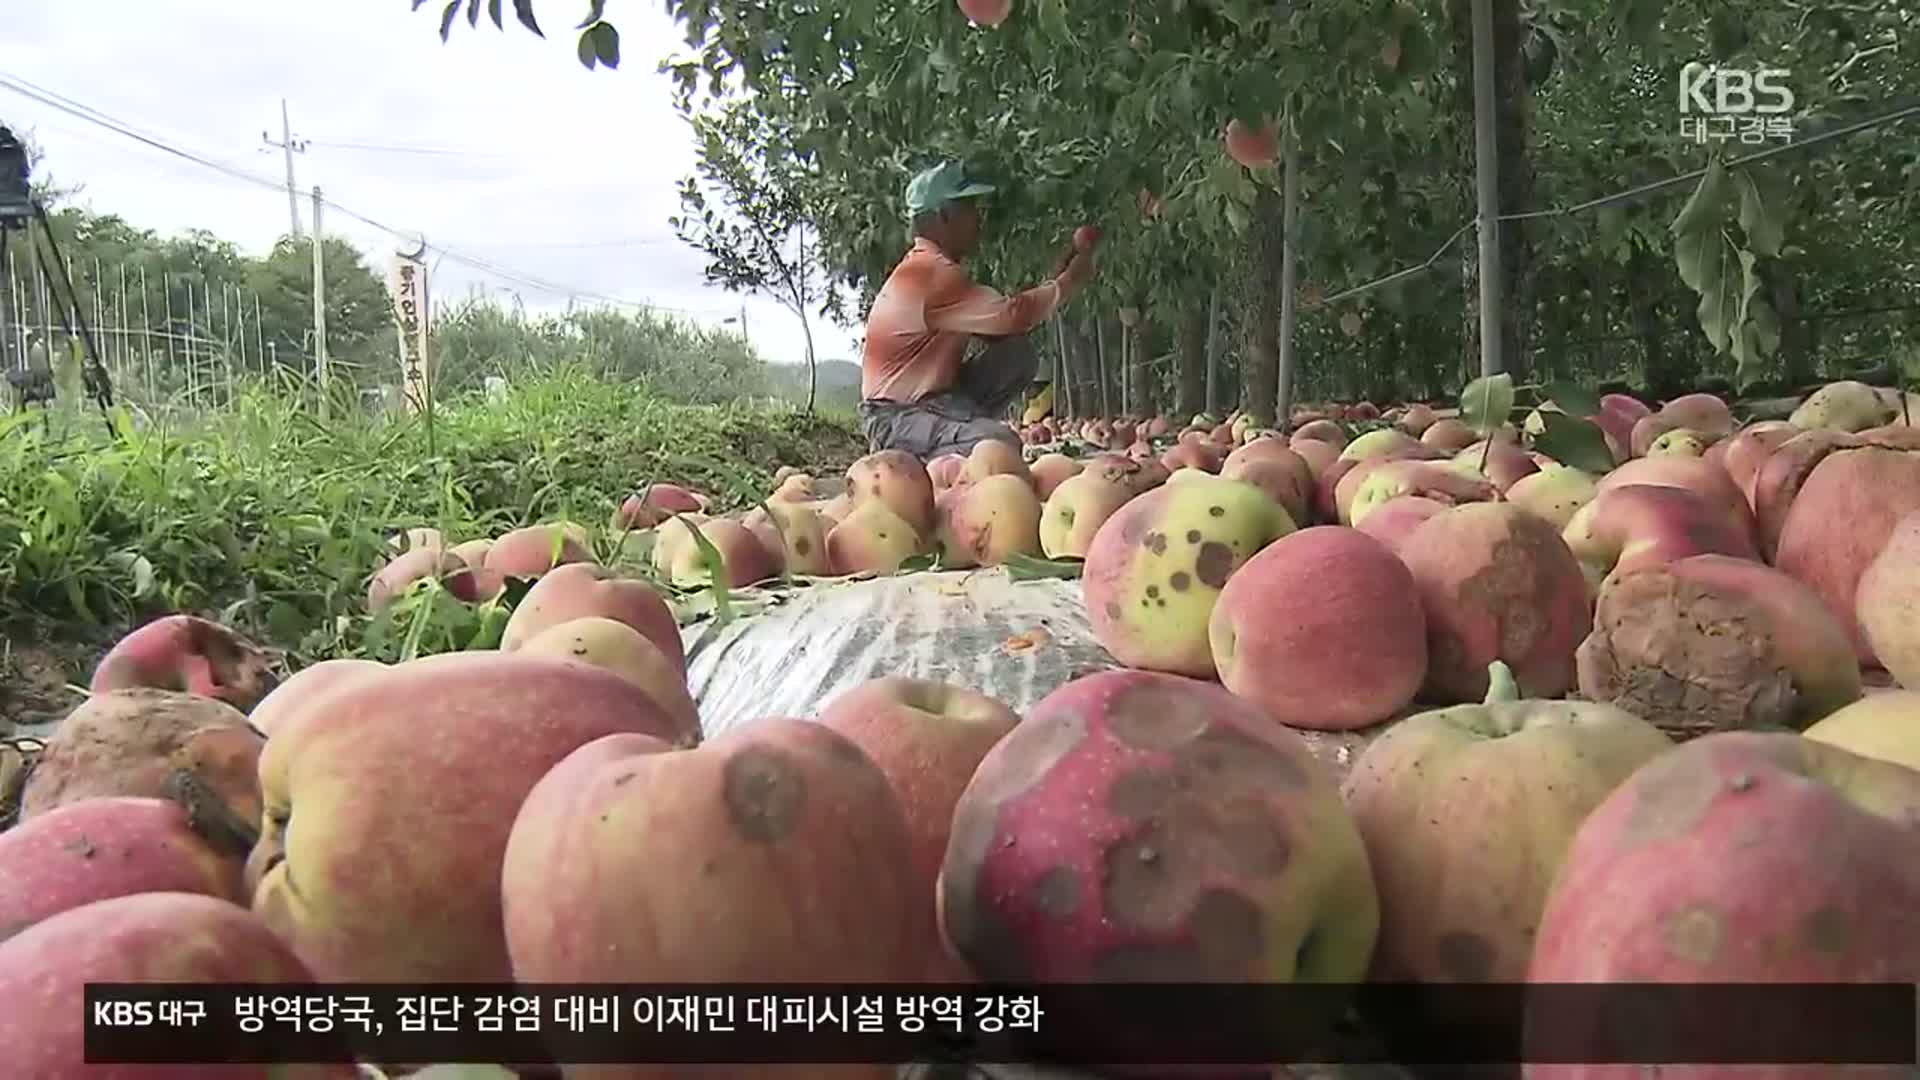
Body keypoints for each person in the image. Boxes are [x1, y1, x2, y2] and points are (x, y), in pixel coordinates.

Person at [859, 161, 1097, 460]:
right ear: (944, 216)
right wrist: (1069, 282)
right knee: (999, 445)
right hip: (896, 418)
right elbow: (1013, 314)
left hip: (936, 400)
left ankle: (958, 435)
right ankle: (913, 455)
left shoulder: (933, 269)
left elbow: (1006, 325)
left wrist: (1055, 279)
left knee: (1016, 353)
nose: (978, 219)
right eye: (969, 208)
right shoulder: (930, 275)